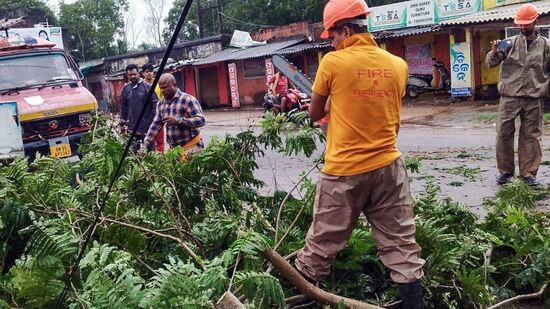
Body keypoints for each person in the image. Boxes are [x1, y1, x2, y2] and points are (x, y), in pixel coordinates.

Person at [293, 0, 425, 307]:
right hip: (388, 168)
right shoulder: (398, 65)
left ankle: (304, 298)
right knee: (402, 244)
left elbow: (314, 114)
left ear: (347, 30)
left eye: (334, 37)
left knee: (321, 244)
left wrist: (329, 106)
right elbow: (377, 105)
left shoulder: (332, 63)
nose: (333, 43)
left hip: (344, 172)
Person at [486, 3, 550, 186]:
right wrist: (493, 53)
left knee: (531, 136)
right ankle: (505, 172)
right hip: (509, 97)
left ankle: (528, 174)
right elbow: (491, 63)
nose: (522, 27)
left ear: (536, 21)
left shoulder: (546, 46)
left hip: (534, 98)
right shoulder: (509, 43)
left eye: (526, 24)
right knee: (503, 134)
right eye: (520, 24)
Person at [142, 73, 205, 157]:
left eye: (165, 87)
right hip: (174, 151)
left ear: (174, 85)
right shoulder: (161, 104)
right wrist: (145, 143)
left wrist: (178, 120)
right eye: (161, 88)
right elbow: (155, 125)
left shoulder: (188, 100)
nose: (162, 91)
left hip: (192, 147)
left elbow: (201, 121)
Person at [120, 64, 158, 150]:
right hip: (131, 129)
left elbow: (155, 106)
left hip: (147, 128)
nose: (133, 76)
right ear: (127, 76)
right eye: (130, 75)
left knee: (150, 153)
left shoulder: (147, 87)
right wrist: (122, 123)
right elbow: (123, 107)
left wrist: (152, 122)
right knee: (133, 153)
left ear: (139, 73)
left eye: (134, 74)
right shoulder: (126, 89)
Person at [142, 63, 166, 153]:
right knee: (148, 140)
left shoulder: (159, 84)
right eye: (147, 71)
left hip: (158, 116)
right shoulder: (141, 86)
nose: (149, 73)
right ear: (143, 73)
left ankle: (161, 157)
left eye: (151, 71)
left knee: (160, 140)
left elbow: (163, 98)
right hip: (146, 117)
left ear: (153, 73)